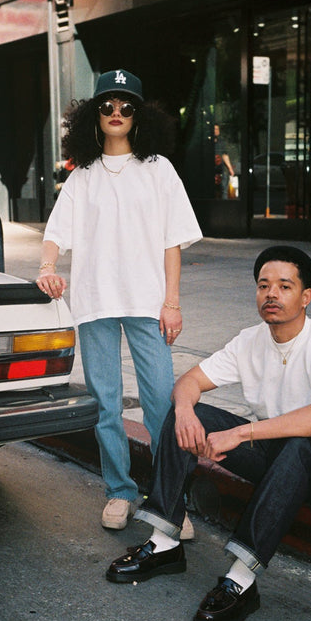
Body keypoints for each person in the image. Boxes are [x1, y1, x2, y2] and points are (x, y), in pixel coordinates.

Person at [106, 245, 311, 621]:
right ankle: (165, 544)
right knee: (188, 411)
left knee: (300, 447)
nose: (271, 294)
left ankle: (240, 581)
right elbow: (190, 381)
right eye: (264, 285)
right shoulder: (251, 340)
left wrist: (241, 433)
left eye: (285, 286)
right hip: (278, 455)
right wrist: (184, 412)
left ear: (306, 297)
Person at [37, 69, 202, 532]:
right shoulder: (83, 176)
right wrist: (47, 269)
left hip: (148, 302)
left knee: (159, 405)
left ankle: (171, 499)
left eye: (126, 107)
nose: (116, 113)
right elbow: (55, 235)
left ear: (140, 116)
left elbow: (173, 242)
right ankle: (119, 491)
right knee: (105, 402)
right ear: (94, 115)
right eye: (107, 105)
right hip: (94, 302)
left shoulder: (159, 170)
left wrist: (172, 301)